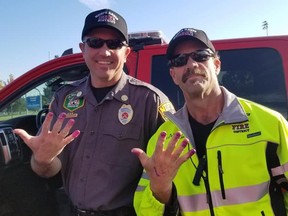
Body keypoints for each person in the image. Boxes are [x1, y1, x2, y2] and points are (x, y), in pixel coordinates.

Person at [14, 8, 175, 216]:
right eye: (95, 42)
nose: (104, 52)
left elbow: (173, 172)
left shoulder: (150, 101)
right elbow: (48, 169)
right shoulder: (64, 99)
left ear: (126, 53)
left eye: (114, 44)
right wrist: (43, 160)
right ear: (83, 48)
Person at [132, 27, 288, 215]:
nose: (191, 64)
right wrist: (160, 191)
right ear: (173, 75)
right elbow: (144, 212)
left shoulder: (271, 124)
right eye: (180, 60)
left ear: (216, 64)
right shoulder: (162, 140)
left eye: (200, 55)